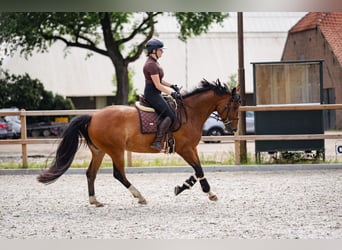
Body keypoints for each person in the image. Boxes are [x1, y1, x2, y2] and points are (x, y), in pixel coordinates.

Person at [143, 38, 182, 151]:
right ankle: (157, 141)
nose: (162, 52)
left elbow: (160, 80)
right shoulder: (151, 65)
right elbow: (157, 85)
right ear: (154, 51)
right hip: (152, 94)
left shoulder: (154, 63)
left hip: (156, 92)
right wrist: (172, 93)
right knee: (170, 115)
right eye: (161, 50)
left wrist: (172, 85)